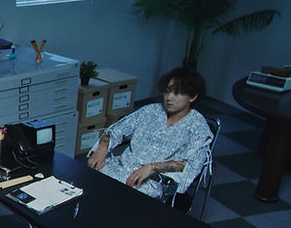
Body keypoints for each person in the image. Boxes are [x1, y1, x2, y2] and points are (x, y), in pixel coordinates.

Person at [86, 67, 213, 201]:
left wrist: (153, 167)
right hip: (121, 166)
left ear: (193, 96)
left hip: (153, 181)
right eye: (167, 91)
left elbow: (189, 165)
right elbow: (116, 130)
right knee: (91, 173)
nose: (169, 97)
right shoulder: (150, 111)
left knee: (119, 196)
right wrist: (102, 148)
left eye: (177, 93)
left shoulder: (198, 127)